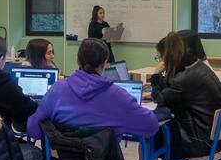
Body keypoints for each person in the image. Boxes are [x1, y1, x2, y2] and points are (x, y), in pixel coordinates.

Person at [151, 31, 221, 160]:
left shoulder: (184, 79)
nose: (159, 60)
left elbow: (160, 99)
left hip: (202, 142)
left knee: (149, 139)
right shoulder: (199, 67)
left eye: (160, 56)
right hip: (218, 138)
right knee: (167, 135)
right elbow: (175, 89)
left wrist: (156, 76)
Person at [27, 38, 158, 140]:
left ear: (78, 60)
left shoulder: (57, 89)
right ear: (105, 64)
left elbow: (33, 129)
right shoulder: (118, 96)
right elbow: (151, 126)